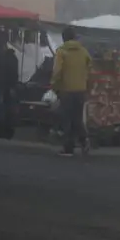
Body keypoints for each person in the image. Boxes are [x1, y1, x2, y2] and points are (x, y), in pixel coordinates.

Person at [51, 27, 92, 156]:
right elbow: (90, 69)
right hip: (81, 90)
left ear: (63, 38)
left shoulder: (61, 52)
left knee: (67, 119)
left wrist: (55, 86)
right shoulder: (84, 52)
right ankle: (84, 140)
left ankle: (68, 147)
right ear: (74, 37)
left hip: (66, 90)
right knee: (77, 118)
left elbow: (57, 72)